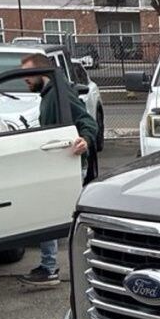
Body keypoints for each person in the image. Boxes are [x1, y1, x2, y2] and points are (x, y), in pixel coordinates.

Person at [16, 52, 98, 288]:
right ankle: (50, 266)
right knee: (52, 216)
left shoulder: (60, 94)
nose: (25, 81)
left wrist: (85, 140)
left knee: (58, 216)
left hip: (66, 165)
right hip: (57, 165)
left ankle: (54, 267)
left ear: (42, 73)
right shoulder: (50, 94)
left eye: (28, 75)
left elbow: (87, 121)